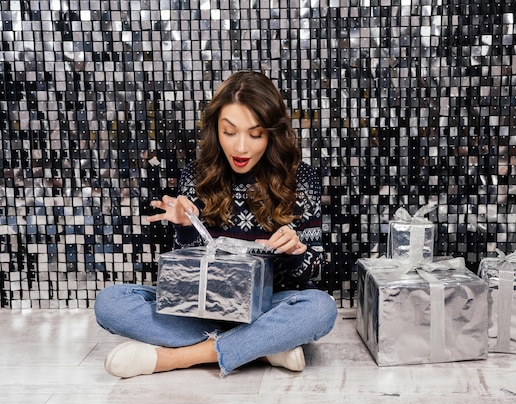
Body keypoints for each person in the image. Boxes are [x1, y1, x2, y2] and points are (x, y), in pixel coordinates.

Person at [94, 70, 338, 378]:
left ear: (272, 133)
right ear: (215, 130)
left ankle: (178, 358)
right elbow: (184, 278)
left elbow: (314, 271)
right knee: (110, 303)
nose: (241, 148)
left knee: (320, 308)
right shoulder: (196, 176)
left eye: (255, 134)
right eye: (230, 132)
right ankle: (263, 350)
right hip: (203, 308)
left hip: (265, 308)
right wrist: (185, 228)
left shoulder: (300, 179)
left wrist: (296, 250)